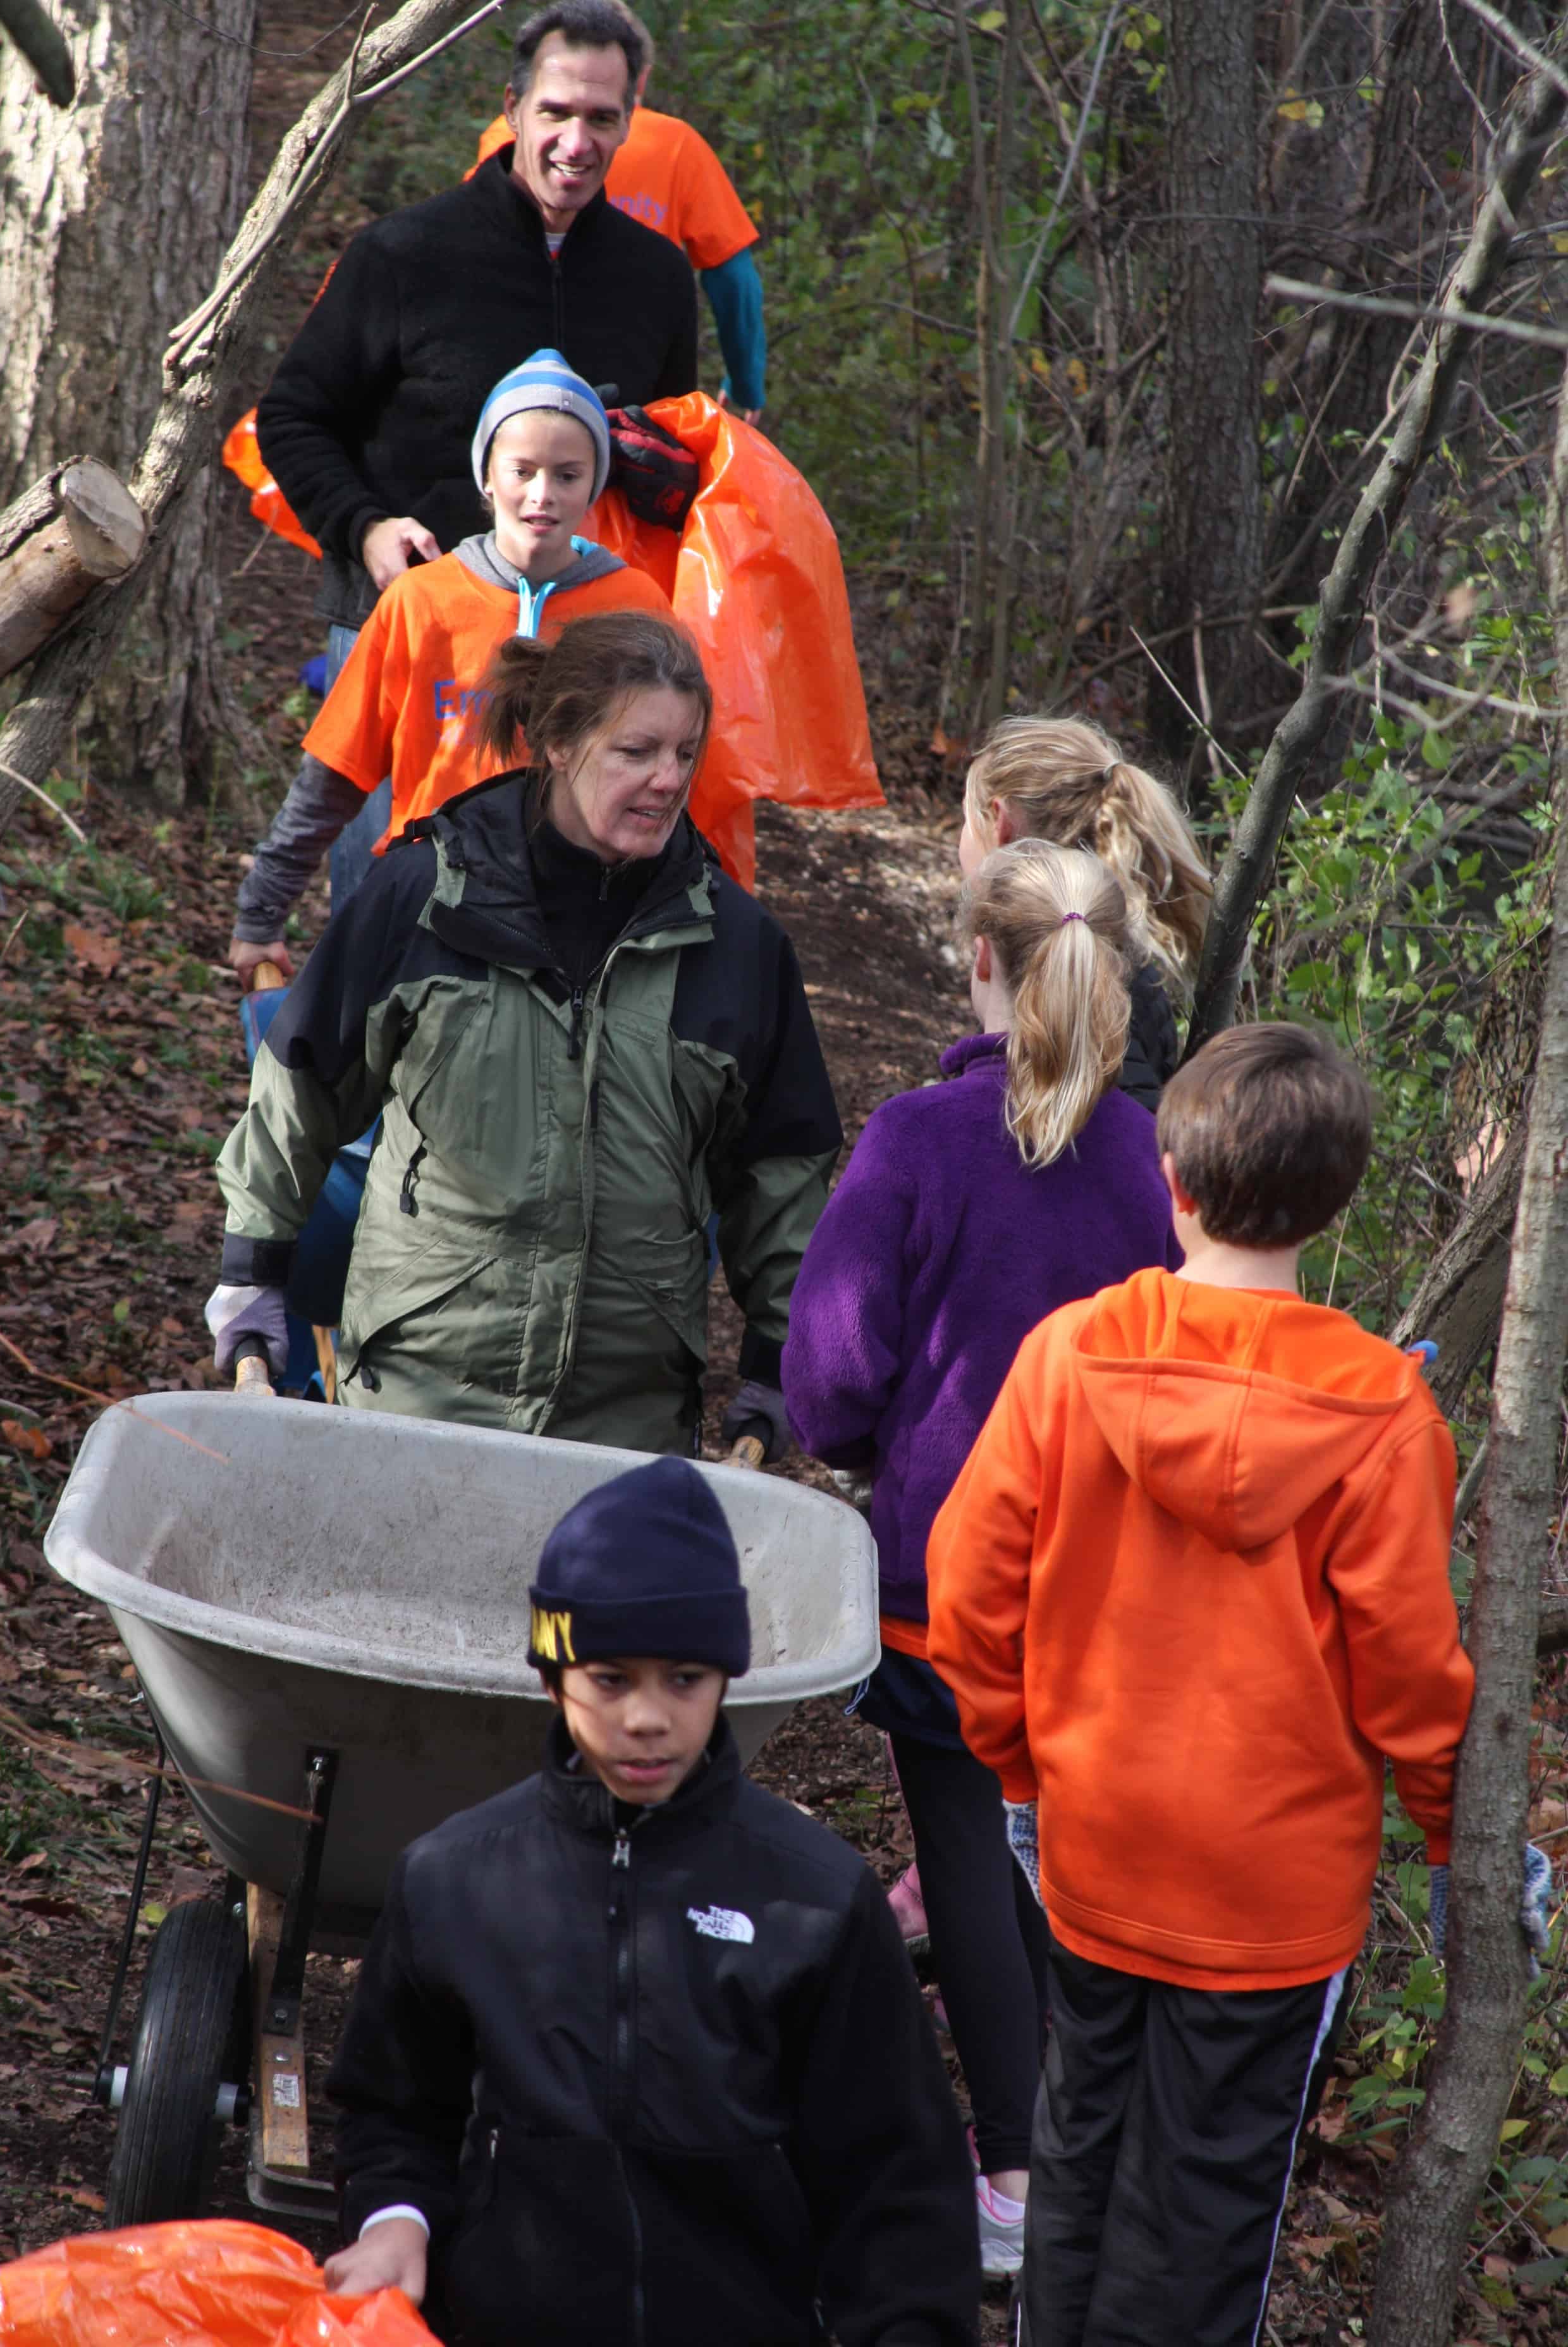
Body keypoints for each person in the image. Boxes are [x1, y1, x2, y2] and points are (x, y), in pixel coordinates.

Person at [926, 1023, 1477, 2345]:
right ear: (1336, 1205)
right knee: (1208, 2208)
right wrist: (1462, 1842)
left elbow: (966, 1597)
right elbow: (1412, 1670)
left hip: (1098, 1844)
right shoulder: (1385, 1418)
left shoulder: (1072, 1355)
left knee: (1078, 2160)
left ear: (1172, 1180)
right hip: (1269, 1900)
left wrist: (1021, 1774)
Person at [321, 1454, 981, 2347]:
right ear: (553, 1676)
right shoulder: (452, 1881)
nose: (646, 1717)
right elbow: (395, 2111)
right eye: (610, 1679)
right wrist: (398, 2217)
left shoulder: (817, 1903)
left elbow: (898, 2184)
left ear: (726, 1679)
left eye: (684, 1679)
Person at [782, 841, 1177, 2281]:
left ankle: (1017, 2170)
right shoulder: (1156, 1155)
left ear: (975, 960)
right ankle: (1097, 2157)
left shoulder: (918, 1139)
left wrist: (858, 1443)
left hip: (951, 1577)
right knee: (1052, 1857)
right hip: (1112, 1581)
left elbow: (828, 1376)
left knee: (967, 1849)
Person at [205, 613, 835, 1457]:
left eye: (685, 754)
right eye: (636, 751)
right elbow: (300, 1090)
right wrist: (252, 1277)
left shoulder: (739, 948)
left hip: (624, 1432)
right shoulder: (423, 896)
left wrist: (774, 1361)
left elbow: (782, 1176)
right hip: (415, 1401)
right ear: (559, 742)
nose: (667, 780)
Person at [256, 0, 697, 758]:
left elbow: (666, 462)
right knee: (386, 869)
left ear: (631, 120)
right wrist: (365, 530)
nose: (576, 140)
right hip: (402, 620)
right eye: (555, 111)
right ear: (514, 108)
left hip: (581, 653)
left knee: (548, 876)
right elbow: (293, 417)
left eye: (602, 118)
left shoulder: (657, 278)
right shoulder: (403, 254)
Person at [227, 350, 673, 981]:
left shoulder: (636, 607)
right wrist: (261, 913)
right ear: (487, 475)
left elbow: (676, 784)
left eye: (568, 474)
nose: (543, 495)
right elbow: (334, 775)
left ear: (595, 482)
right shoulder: (421, 600)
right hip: (430, 919)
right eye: (522, 470)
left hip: (586, 929)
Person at [473, 0, 766, 422]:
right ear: (642, 76)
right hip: (628, 359)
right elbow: (734, 279)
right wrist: (745, 383)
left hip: (512, 361)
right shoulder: (677, 144)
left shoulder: (503, 138)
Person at [958, 713, 1212, 1109]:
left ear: (1001, 825)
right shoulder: (1112, 955)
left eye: (965, 822)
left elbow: (1128, 1128)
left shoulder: (1096, 970)